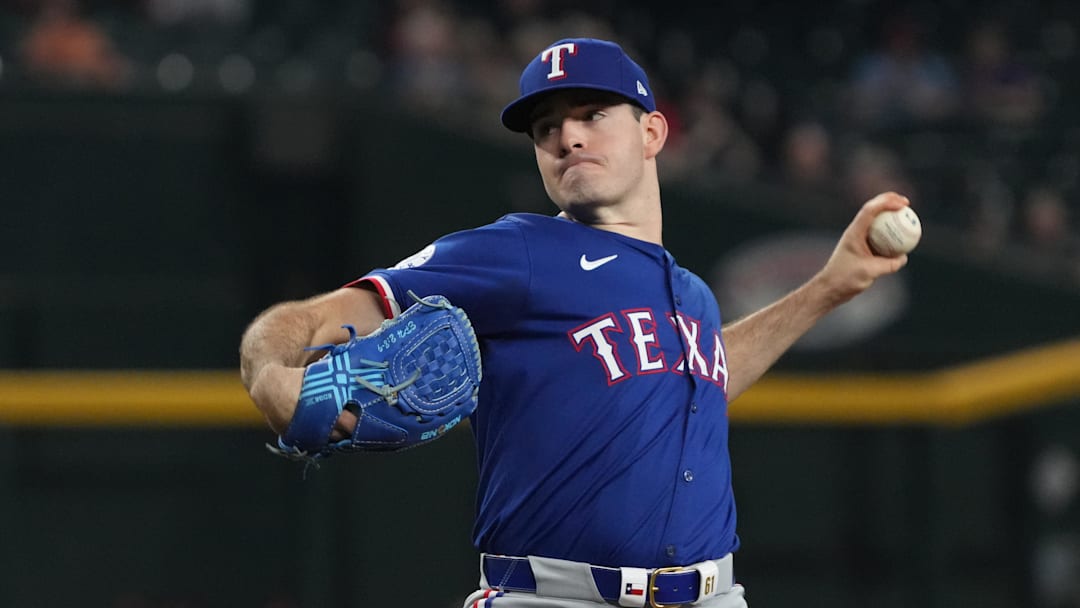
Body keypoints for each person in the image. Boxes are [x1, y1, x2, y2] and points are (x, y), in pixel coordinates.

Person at [240, 37, 912, 608]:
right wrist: (269, 375)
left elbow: (703, 377)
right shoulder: (519, 251)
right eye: (546, 128)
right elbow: (309, 318)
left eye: (592, 113)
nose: (568, 136)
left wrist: (827, 289)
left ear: (652, 131)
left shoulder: (692, 293)